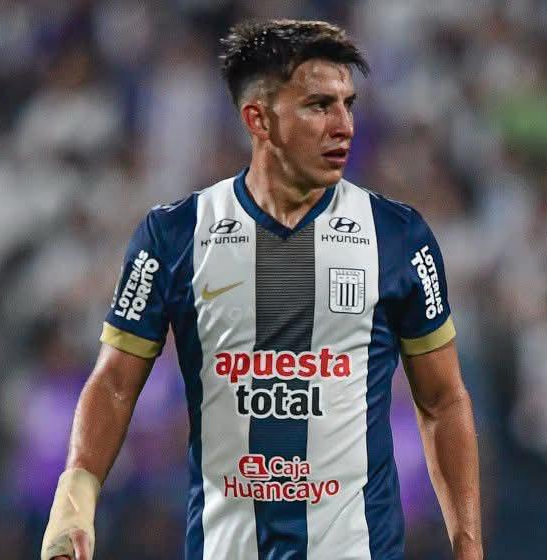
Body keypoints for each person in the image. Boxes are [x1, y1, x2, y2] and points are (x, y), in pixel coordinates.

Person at [41, 19, 482, 560]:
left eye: (348, 105)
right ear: (259, 119)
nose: (344, 125)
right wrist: (75, 496)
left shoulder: (397, 236)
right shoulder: (175, 235)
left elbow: (442, 400)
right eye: (319, 106)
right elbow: (114, 383)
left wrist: (468, 545)